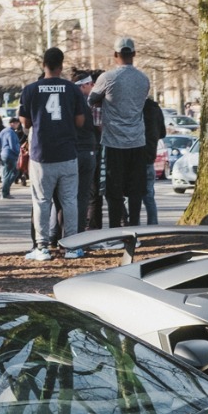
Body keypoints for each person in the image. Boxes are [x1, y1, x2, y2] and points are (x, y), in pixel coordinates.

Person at [18, 47, 89, 261]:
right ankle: (72, 246)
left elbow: (25, 122)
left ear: (43, 64)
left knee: (42, 201)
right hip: (67, 152)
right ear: (61, 65)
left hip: (41, 154)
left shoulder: (30, 90)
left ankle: (42, 247)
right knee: (69, 201)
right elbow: (80, 121)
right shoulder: (72, 89)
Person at [88, 37, 150, 227]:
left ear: (115, 55)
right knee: (135, 191)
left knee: (113, 191)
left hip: (113, 142)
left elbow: (91, 100)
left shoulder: (107, 78)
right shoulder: (144, 79)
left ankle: (115, 230)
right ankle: (134, 228)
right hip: (137, 141)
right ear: (134, 54)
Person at [73, 72, 102, 231]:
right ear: (83, 85)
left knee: (68, 195)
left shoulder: (68, 100)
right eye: (91, 84)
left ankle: (62, 232)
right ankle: (82, 229)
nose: (93, 87)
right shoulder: (90, 103)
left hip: (71, 151)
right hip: (88, 149)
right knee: (87, 194)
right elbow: (98, 126)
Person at [136, 97, 166, 226]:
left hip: (135, 155)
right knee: (149, 195)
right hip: (150, 155)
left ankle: (134, 224)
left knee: (132, 195)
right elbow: (163, 133)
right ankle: (153, 225)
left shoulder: (135, 106)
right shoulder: (155, 108)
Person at [0, 111, 22, 200]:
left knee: (6, 173)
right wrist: (19, 153)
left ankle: (5, 191)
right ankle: (4, 191)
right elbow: (13, 145)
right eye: (17, 123)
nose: (18, 125)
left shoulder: (3, 131)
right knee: (13, 173)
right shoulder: (11, 133)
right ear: (12, 123)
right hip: (10, 155)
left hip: (3, 154)